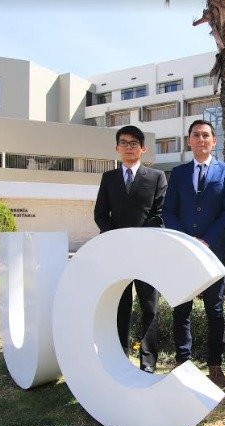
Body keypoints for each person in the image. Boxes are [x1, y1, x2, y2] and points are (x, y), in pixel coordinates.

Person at [162, 119, 225, 389]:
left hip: (214, 250)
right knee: (181, 307)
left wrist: (206, 241)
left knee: (214, 310)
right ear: (189, 141)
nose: (201, 139)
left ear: (214, 141)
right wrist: (187, 241)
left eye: (206, 135)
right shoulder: (179, 172)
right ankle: (182, 360)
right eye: (196, 135)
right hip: (183, 252)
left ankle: (215, 364)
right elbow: (168, 210)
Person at [94, 125, 167, 373]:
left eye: (134, 143)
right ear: (117, 148)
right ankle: (120, 357)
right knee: (120, 305)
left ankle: (148, 362)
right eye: (124, 143)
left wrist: (137, 240)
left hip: (147, 253)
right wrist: (119, 239)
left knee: (150, 307)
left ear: (143, 149)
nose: (128, 147)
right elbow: (101, 214)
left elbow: (159, 214)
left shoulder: (157, 177)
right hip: (117, 254)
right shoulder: (108, 178)